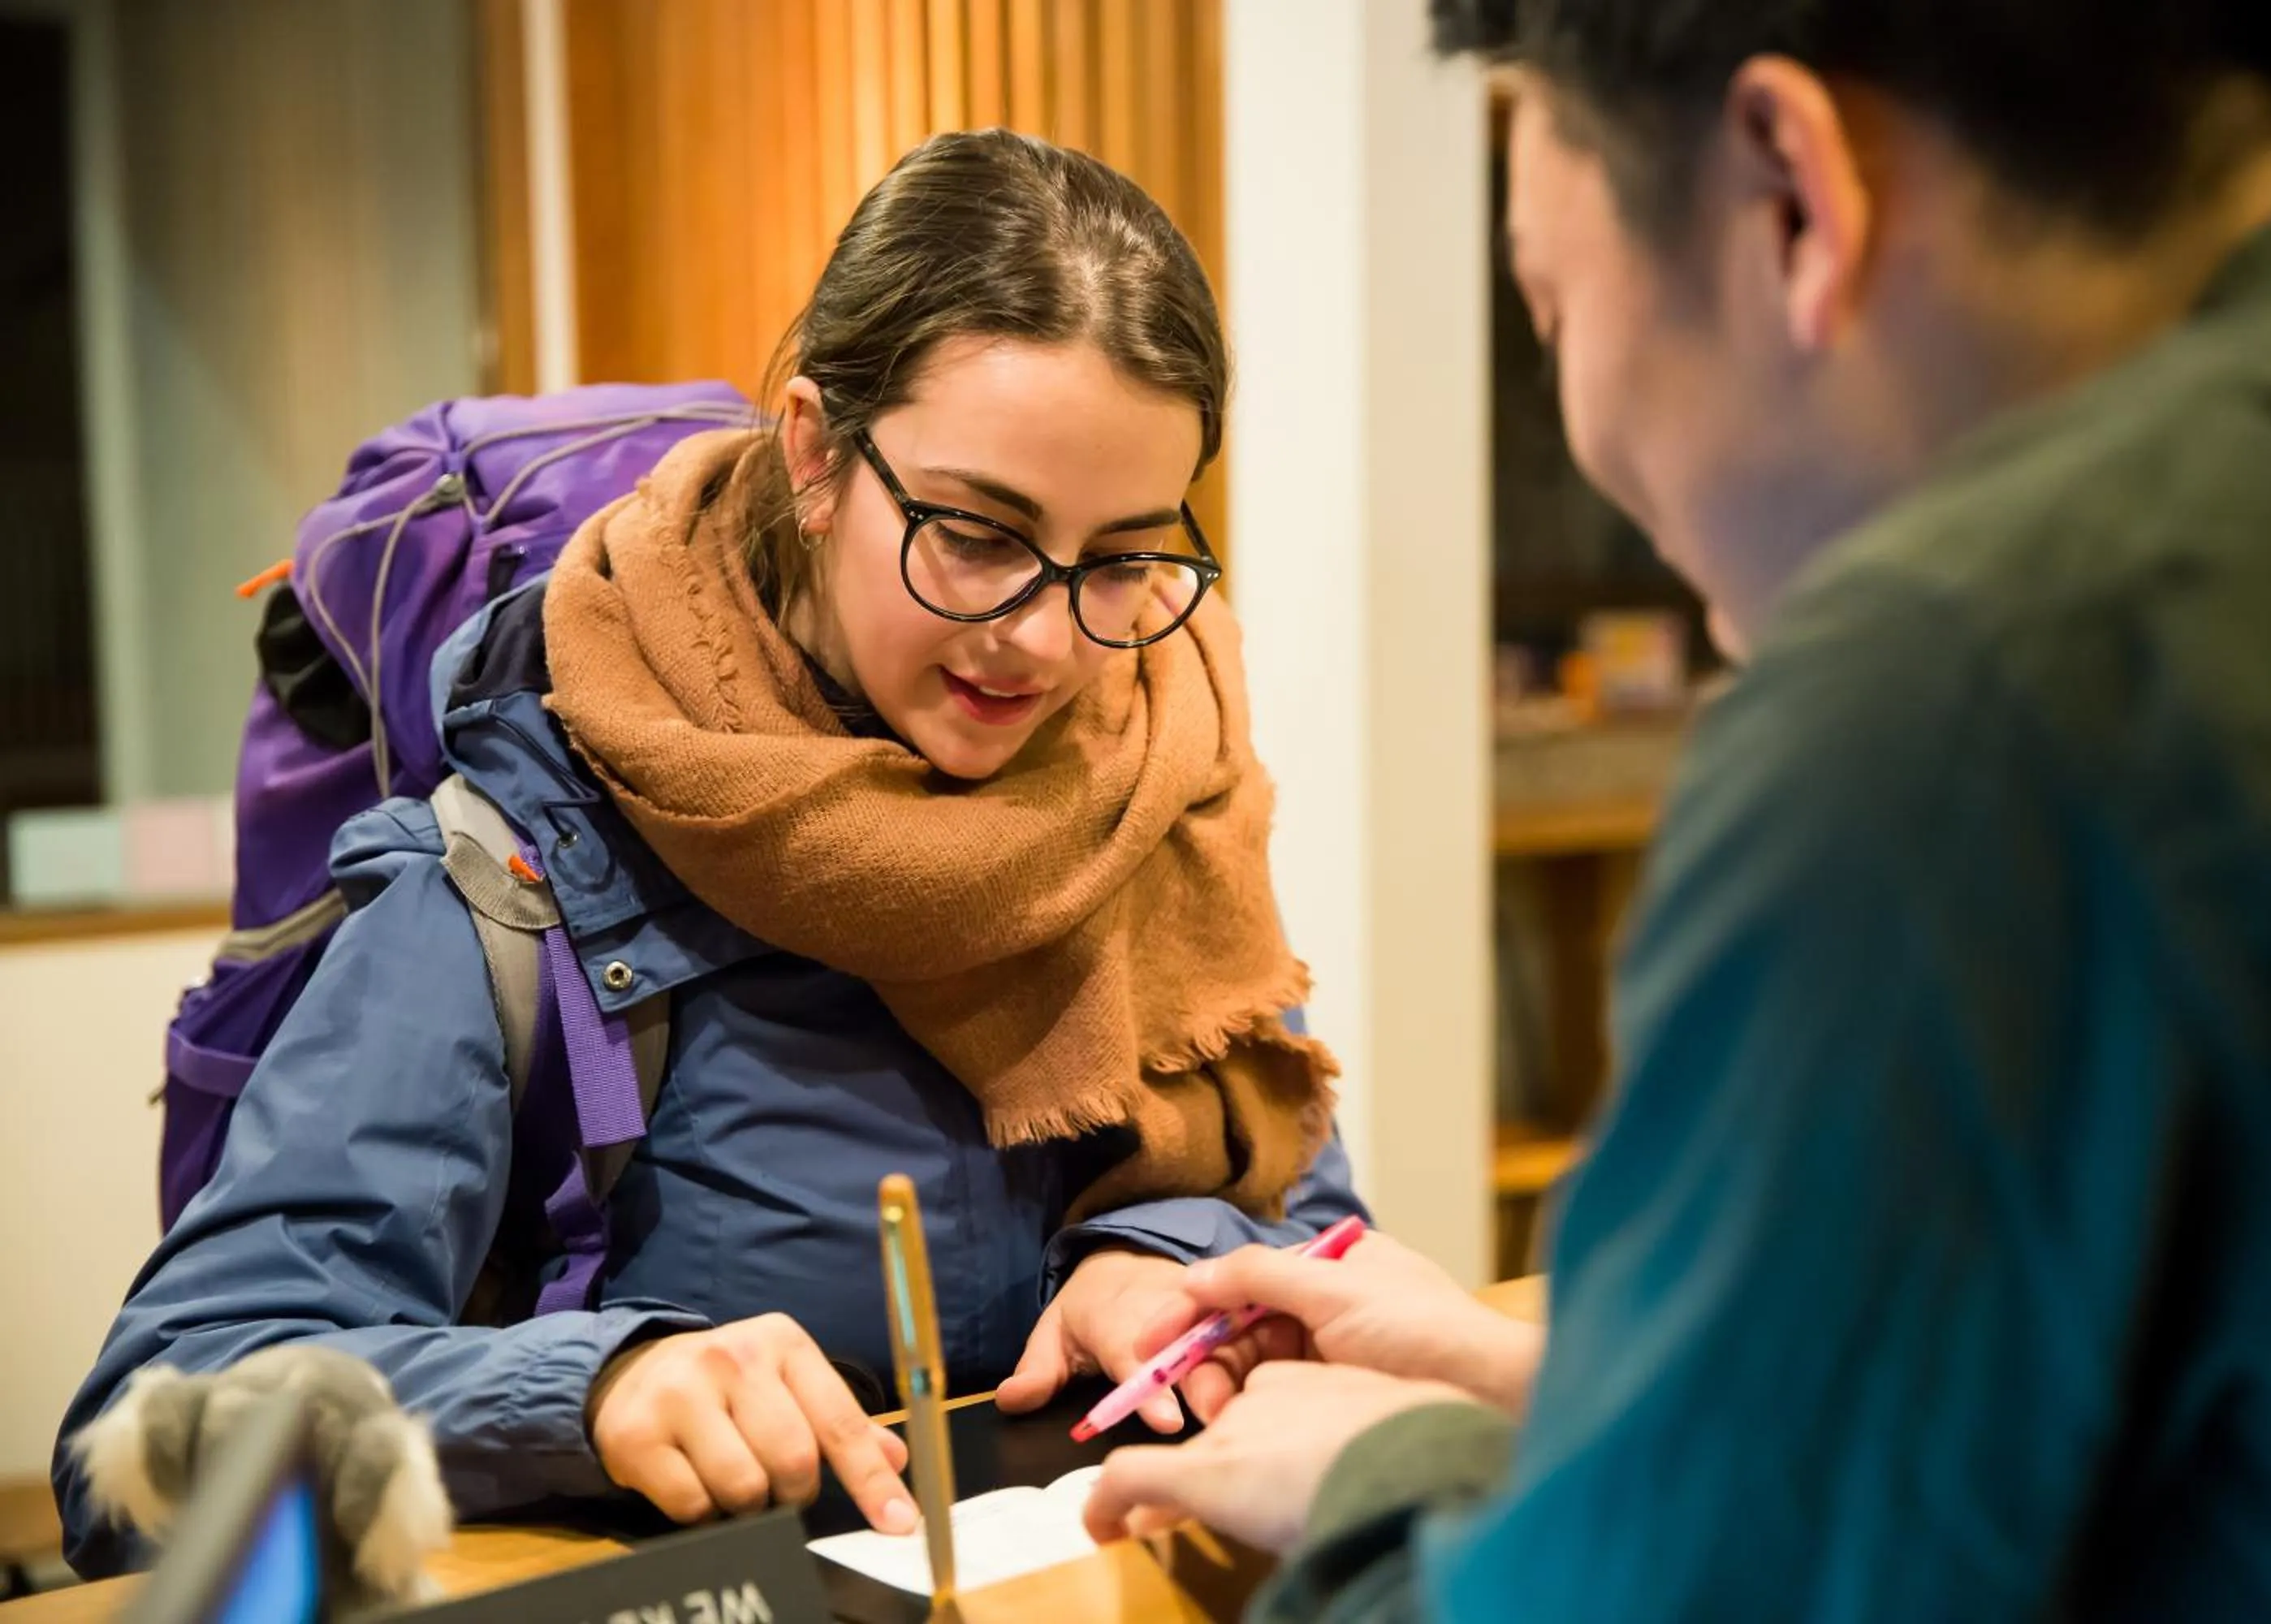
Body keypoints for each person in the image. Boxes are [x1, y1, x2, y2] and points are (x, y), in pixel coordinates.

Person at [1080, 1, 2271, 1618]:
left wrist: (1396, 1487)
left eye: (1549, 302)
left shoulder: (1973, 686)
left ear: (1793, 193)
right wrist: (1579, 1390)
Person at [55, 129, 1362, 1577]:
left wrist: (1165, 1257)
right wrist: (593, 1391)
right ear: (815, 453)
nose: (1047, 640)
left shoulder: (1159, 780)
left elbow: (1314, 1225)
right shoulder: (514, 865)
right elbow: (148, 1436)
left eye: (1122, 555)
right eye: (977, 534)